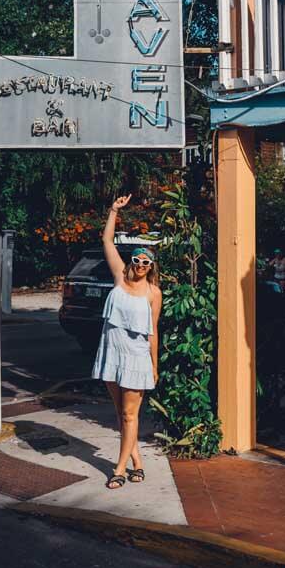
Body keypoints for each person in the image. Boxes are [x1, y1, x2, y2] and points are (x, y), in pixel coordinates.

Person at [92, 193, 162, 490]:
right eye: (137, 259)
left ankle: (119, 469)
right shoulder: (120, 277)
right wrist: (113, 210)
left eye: (147, 262)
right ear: (131, 261)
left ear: (152, 266)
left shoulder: (153, 293)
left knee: (130, 414)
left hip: (135, 356)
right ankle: (138, 462)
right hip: (111, 351)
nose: (141, 264)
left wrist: (154, 366)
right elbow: (108, 241)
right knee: (121, 413)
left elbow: (153, 332)